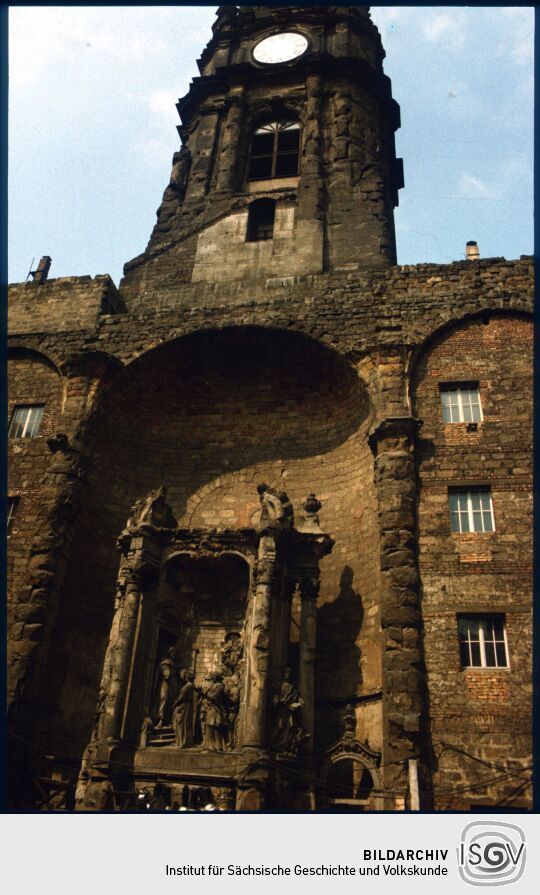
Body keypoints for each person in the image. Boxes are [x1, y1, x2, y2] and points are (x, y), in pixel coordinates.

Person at [269, 668, 304, 752]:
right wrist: (277, 701)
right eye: (285, 674)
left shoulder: (293, 688)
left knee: (289, 727)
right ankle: (272, 744)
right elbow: (276, 697)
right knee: (280, 726)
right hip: (281, 710)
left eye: (288, 674)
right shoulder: (280, 685)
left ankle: (283, 747)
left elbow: (297, 697)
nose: (286, 675)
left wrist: (300, 701)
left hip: (289, 711)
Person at [200, 672, 228, 751]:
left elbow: (215, 697)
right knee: (209, 726)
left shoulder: (220, 686)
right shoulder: (214, 685)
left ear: (216, 678)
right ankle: (210, 745)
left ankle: (217, 746)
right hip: (211, 708)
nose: (212, 679)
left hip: (216, 709)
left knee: (215, 727)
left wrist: (207, 693)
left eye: (213, 678)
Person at [172, 670, 196, 749]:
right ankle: (186, 742)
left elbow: (181, 698)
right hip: (188, 706)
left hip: (184, 706)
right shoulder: (192, 686)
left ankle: (182, 742)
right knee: (187, 724)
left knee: (181, 724)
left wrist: (174, 704)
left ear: (187, 678)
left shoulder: (187, 687)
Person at [156, 648, 179, 728]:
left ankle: (168, 720)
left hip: (173, 685)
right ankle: (160, 720)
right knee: (164, 699)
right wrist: (168, 672)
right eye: (173, 653)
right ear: (170, 653)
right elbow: (166, 674)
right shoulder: (165, 663)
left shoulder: (174, 665)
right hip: (165, 684)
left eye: (175, 653)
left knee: (170, 702)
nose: (174, 654)